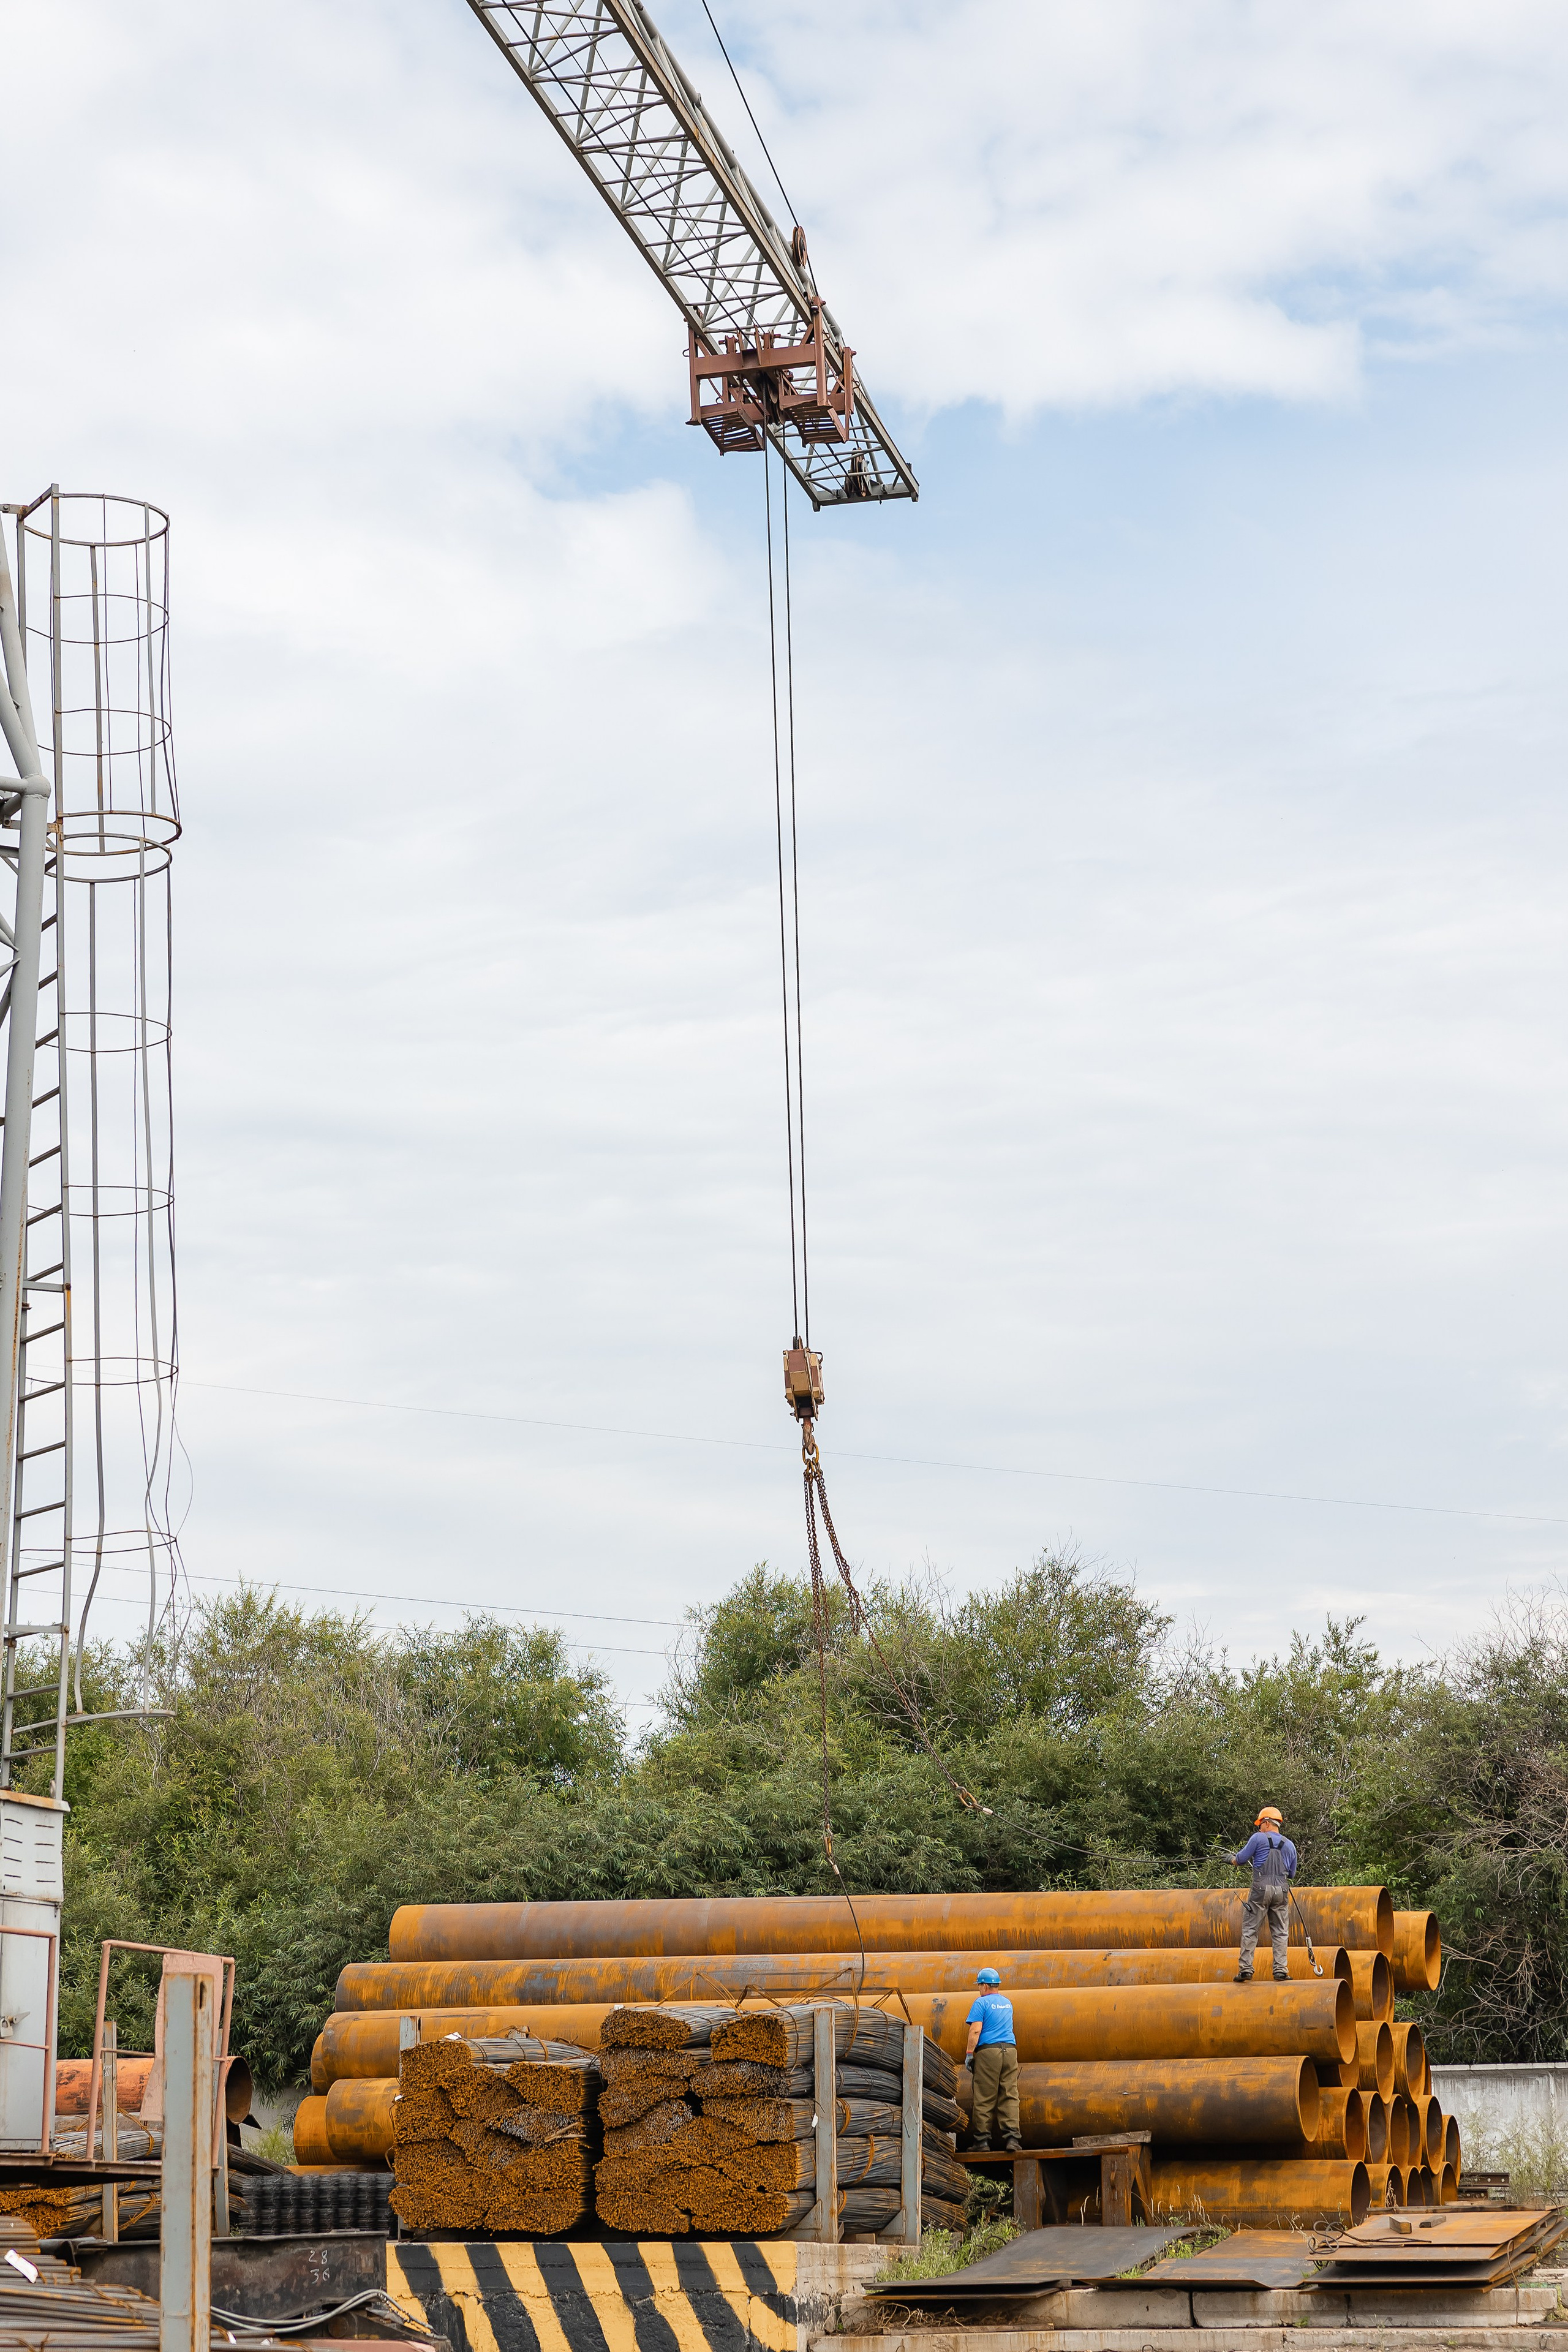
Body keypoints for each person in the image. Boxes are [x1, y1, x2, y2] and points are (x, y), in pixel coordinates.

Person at [1230, 1804, 1298, 1982]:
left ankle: (1246, 1969)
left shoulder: (1258, 1838)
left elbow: (1240, 1859)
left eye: (1260, 1824)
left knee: (1251, 1929)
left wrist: (1231, 1860)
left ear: (1267, 1823)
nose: (1259, 1828)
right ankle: (1281, 1970)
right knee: (1281, 1932)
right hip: (1281, 1891)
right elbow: (1292, 1874)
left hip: (1260, 1890)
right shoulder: (1290, 1845)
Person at [963, 1966, 1022, 2151]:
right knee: (1009, 2094)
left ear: (985, 1985)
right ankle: (1012, 2139)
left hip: (989, 2052)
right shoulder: (1007, 2003)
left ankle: (981, 2142)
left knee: (984, 2095)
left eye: (979, 1985)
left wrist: (970, 2054)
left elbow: (976, 2030)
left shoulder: (981, 2003)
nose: (979, 1989)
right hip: (1010, 2051)